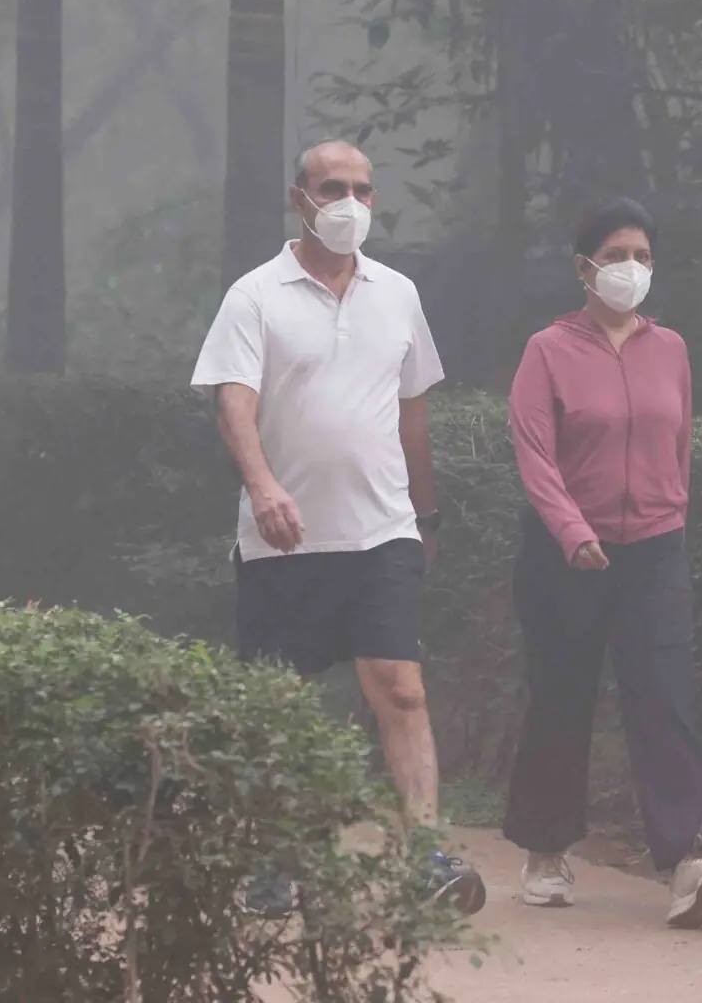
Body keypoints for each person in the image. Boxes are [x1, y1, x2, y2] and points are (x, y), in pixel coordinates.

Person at [191, 139, 486, 916]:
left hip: (381, 532)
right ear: (301, 199)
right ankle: (272, 862)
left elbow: (413, 413)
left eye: (361, 189)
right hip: (283, 540)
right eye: (332, 188)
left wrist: (423, 515)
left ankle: (425, 855)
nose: (348, 203)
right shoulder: (255, 296)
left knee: (402, 689)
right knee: (278, 703)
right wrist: (261, 487)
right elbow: (231, 402)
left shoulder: (398, 294)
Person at [501, 197, 702, 929]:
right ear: (584, 268)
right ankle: (545, 851)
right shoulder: (547, 350)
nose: (631, 269)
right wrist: (572, 531)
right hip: (564, 553)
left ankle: (692, 860)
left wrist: (669, 520)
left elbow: (680, 445)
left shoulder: (668, 348)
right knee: (561, 698)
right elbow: (535, 455)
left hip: (653, 551)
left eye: (642, 256)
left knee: (664, 700)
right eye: (616, 256)